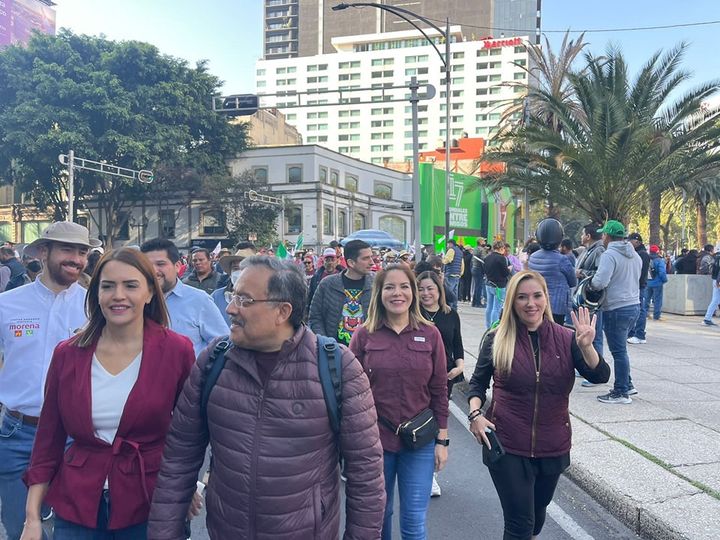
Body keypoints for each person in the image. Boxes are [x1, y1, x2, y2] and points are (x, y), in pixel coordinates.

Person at [148, 256, 385, 538]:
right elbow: (179, 457)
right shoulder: (214, 360)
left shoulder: (336, 366)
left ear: (283, 311)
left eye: (245, 300)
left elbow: (366, 475)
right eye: (233, 295)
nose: (231, 308)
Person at [20, 248, 196, 540]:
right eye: (108, 286)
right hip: (77, 505)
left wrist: (189, 486)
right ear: (96, 293)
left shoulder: (177, 351)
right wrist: (32, 518)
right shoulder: (68, 354)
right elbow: (48, 439)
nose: (118, 295)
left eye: (130, 285)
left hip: (148, 502)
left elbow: (191, 431)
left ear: (150, 293)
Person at [467, 271, 610, 540]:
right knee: (519, 524)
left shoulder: (567, 338)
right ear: (512, 301)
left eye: (536, 296)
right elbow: (476, 385)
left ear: (546, 298)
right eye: (522, 297)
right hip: (507, 445)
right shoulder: (496, 338)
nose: (530, 303)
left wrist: (587, 346)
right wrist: (475, 414)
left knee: (536, 515)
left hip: (552, 444)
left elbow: (600, 375)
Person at [0, 221, 98, 540]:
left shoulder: (94, 308)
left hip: (76, 435)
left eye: (82, 252)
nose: (76, 258)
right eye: (67, 249)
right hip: (18, 434)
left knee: (73, 529)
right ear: (44, 252)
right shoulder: (8, 305)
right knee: (21, 529)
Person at [349, 264, 448, 540]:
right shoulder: (363, 335)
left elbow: (439, 389)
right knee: (379, 519)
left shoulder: (430, 334)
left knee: (414, 523)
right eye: (389, 287)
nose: (397, 293)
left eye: (404, 286)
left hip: (419, 443)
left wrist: (442, 441)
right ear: (379, 293)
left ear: (414, 293)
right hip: (374, 441)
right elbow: (349, 391)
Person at [417, 270, 464, 498]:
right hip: (418, 378)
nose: (426, 293)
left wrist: (460, 366)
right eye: (421, 289)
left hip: (445, 377)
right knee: (423, 424)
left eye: (430, 288)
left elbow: (457, 344)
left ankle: (431, 472)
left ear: (439, 291)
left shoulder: (450, 314)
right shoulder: (413, 314)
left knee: (438, 422)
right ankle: (426, 474)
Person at [140, 238, 228, 355]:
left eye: (160, 264)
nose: (154, 270)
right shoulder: (135, 302)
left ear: (177, 266)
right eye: (148, 265)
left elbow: (222, 344)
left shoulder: (199, 300)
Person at [590, 220, 641, 404]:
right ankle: (628, 384)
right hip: (634, 306)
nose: (602, 237)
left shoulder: (609, 255)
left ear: (608, 236)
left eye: (603, 234)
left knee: (618, 351)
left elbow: (601, 282)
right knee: (622, 349)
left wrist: (590, 281)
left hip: (616, 308)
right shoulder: (634, 255)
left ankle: (621, 392)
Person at [309, 240, 374, 346]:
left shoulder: (376, 284)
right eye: (366, 258)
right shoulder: (327, 284)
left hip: (368, 352)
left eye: (371, 257)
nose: (372, 262)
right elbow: (315, 317)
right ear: (351, 263)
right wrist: (326, 343)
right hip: (335, 353)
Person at [528, 219, 577, 325]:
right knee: (554, 337)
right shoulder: (562, 260)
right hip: (557, 307)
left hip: (536, 304)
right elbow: (573, 281)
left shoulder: (532, 257)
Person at [575, 223, 606, 357]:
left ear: (588, 236)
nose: (581, 237)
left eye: (583, 234)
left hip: (592, 298)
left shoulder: (599, 251)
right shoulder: (589, 250)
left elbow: (599, 274)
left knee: (595, 334)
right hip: (585, 298)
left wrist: (581, 272)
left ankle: (595, 364)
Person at [210, 246, 257, 327]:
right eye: (235, 268)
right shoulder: (216, 296)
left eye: (242, 268)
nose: (238, 272)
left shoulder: (263, 298)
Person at [626, 232, 651, 342]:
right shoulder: (637, 253)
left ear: (637, 241)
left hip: (639, 286)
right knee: (636, 310)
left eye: (630, 241)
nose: (628, 243)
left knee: (640, 310)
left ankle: (640, 334)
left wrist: (637, 284)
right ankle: (632, 332)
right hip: (636, 285)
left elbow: (642, 272)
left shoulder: (642, 254)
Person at [485, 240, 512, 329]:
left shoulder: (487, 257)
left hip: (488, 284)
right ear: (501, 248)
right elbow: (505, 273)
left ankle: (488, 326)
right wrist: (509, 269)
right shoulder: (501, 258)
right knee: (497, 308)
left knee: (489, 306)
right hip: (499, 286)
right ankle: (494, 326)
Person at [642, 244, 668, 326]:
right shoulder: (660, 260)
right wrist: (664, 280)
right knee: (657, 300)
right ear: (657, 251)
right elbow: (662, 272)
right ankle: (656, 316)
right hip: (657, 282)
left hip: (647, 282)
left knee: (646, 299)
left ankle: (645, 314)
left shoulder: (647, 259)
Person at [442, 239, 464, 309]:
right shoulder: (460, 252)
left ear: (451, 244)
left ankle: (449, 306)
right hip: (457, 274)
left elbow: (448, 260)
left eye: (448, 244)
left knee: (449, 291)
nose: (447, 246)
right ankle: (455, 307)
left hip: (450, 273)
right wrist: (460, 273)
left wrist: (443, 260)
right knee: (455, 292)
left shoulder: (451, 250)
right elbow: (462, 264)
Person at [702, 245, 720, 326]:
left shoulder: (716, 256)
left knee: (715, 300)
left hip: (715, 279)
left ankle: (707, 318)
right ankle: (707, 318)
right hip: (718, 280)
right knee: (715, 300)